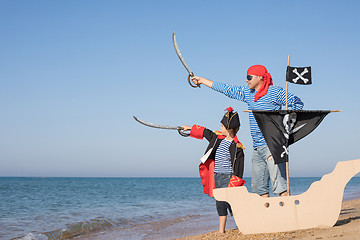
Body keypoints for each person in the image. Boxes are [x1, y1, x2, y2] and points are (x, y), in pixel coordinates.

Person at [191, 65, 304, 197]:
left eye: (249, 77)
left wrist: (282, 118)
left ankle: (287, 214)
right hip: (257, 148)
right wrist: (202, 81)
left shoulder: (275, 92)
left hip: (273, 145)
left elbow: (298, 103)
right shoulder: (248, 93)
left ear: (260, 77)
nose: (246, 80)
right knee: (259, 189)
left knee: (280, 186)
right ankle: (265, 216)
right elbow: (227, 89)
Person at [182, 107, 245, 234]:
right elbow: (206, 132)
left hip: (229, 178)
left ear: (229, 129)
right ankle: (221, 229)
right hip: (217, 176)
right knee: (220, 202)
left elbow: (239, 167)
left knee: (232, 203)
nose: (220, 128)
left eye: (222, 126)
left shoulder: (237, 147)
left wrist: (235, 182)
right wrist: (189, 128)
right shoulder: (218, 138)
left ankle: (243, 225)